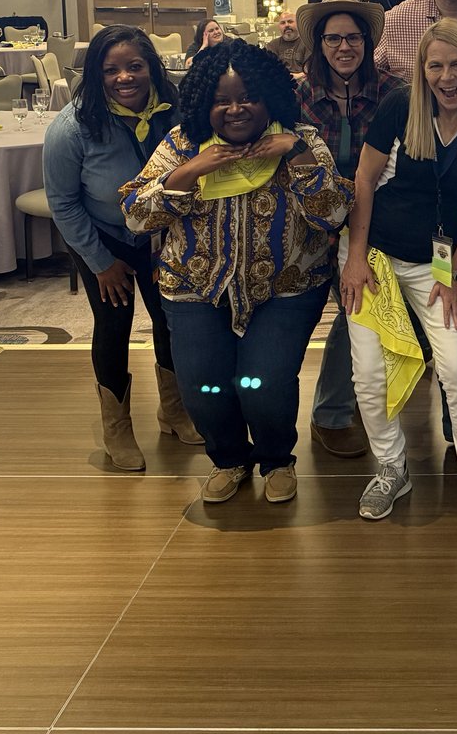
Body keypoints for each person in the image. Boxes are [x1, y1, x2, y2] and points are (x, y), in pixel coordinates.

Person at [120, 42, 352, 504]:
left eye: (248, 97)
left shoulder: (300, 139)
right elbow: (135, 215)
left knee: (264, 385)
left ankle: (276, 459)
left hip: (286, 288)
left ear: (270, 97)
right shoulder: (183, 144)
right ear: (203, 103)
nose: (235, 109)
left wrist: (297, 155)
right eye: (221, 100)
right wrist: (190, 171)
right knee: (202, 388)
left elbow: (333, 214)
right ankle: (228, 459)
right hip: (195, 290)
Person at [338, 18, 457, 528]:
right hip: (375, 253)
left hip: (436, 259)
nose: (446, 77)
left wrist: (454, 274)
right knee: (369, 373)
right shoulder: (400, 105)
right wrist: (354, 257)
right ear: (421, 68)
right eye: (435, 65)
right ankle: (392, 468)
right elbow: (364, 181)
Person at [43, 25, 195, 472]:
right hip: (102, 238)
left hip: (160, 239)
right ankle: (117, 428)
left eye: (134, 66)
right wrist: (101, 263)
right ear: (96, 74)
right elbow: (62, 203)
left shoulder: (176, 111)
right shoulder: (71, 128)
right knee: (114, 325)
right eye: (111, 70)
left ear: (151, 67)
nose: (124, 77)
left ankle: (174, 411)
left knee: (171, 321)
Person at [294, 0, 396, 458]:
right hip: (311, 225)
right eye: (333, 38)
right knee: (328, 315)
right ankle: (329, 410)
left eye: (353, 37)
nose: (344, 47)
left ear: (367, 43)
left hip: (374, 223)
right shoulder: (298, 97)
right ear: (319, 44)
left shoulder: (393, 93)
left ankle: (334, 411)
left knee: (359, 308)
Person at [265, 10, 306, 75]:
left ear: (298, 24)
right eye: (283, 23)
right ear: (279, 27)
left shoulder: (307, 43)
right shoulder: (272, 45)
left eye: (290, 21)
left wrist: (297, 76)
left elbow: (311, 70)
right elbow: (270, 69)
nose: (286, 25)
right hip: (280, 78)